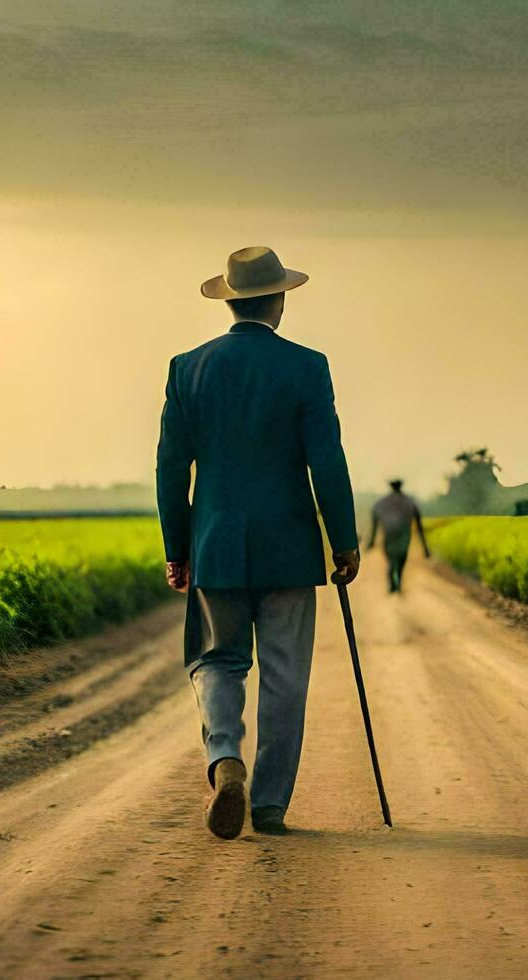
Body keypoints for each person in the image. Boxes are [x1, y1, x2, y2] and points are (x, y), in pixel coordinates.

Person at [157, 245, 360, 840]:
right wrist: (343, 540)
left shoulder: (187, 368)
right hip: (290, 547)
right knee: (285, 674)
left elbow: (172, 468)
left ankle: (225, 761)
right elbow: (327, 459)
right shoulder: (307, 366)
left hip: (215, 544)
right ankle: (269, 804)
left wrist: (178, 547)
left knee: (217, 661)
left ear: (231, 301)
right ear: (278, 302)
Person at [367, 479, 429, 593]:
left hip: (389, 534)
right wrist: (425, 548)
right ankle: (397, 581)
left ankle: (393, 583)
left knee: (391, 559)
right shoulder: (409, 501)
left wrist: (372, 541)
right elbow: (419, 524)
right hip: (403, 535)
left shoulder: (383, 502)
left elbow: (374, 519)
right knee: (401, 558)